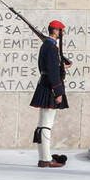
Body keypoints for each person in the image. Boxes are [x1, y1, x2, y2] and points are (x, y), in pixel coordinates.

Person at [29, 19, 69, 168]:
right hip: (51, 87)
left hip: (45, 85)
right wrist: (58, 91)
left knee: (42, 124)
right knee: (46, 125)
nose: (63, 33)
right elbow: (52, 72)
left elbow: (46, 67)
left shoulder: (46, 46)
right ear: (55, 31)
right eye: (61, 31)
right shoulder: (51, 48)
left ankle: (44, 157)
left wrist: (62, 65)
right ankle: (46, 159)